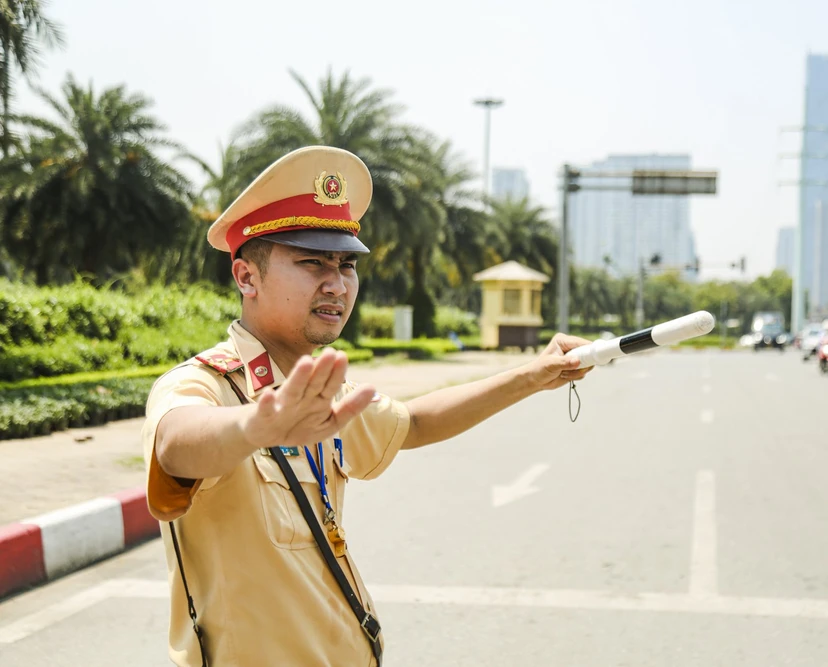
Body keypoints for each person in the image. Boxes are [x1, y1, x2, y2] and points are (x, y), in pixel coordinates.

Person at [141, 146, 594, 667]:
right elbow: (177, 446)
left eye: (347, 264)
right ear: (247, 277)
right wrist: (253, 425)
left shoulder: (321, 389)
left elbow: (415, 422)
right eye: (311, 262)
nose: (336, 283)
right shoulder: (206, 385)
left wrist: (532, 376)